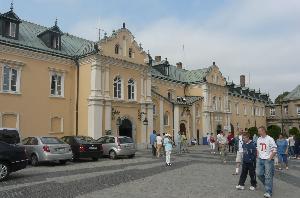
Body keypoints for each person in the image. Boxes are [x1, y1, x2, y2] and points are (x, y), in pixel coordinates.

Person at [256, 126, 277, 198]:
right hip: (260, 159)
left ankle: (268, 192)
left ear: (263, 131)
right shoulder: (258, 139)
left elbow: (274, 149)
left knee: (268, 176)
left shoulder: (270, 139)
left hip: (268, 159)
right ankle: (268, 185)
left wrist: (270, 158)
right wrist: (258, 156)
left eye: (259, 131)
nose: (258, 132)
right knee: (258, 173)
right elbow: (258, 148)